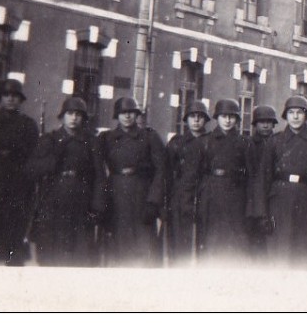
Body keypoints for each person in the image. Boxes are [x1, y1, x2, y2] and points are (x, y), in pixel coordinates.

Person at [253, 95, 307, 268]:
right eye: (291, 112)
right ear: (286, 116)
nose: (295, 117)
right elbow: (263, 180)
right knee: (280, 254)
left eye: (299, 112)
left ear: (306, 115)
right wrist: (262, 214)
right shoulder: (275, 141)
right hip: (280, 204)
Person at [27, 96, 106, 267]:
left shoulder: (91, 142)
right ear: (63, 116)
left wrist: (97, 205)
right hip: (53, 199)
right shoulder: (50, 139)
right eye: (70, 113)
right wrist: (54, 156)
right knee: (50, 251)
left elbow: (99, 176)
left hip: (81, 200)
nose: (74, 118)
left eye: (78, 114)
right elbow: (33, 169)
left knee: (79, 253)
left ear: (83, 118)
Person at [99, 96, 166, 266]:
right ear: (117, 115)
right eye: (123, 113)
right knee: (117, 245)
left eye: (131, 112)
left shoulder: (149, 136)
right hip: (116, 194)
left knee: (143, 245)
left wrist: (153, 201)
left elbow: (161, 170)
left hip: (141, 194)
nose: (127, 116)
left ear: (137, 115)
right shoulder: (107, 138)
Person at [0, 79, 39, 266]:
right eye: (6, 95)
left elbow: (32, 153)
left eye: (15, 96)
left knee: (16, 222)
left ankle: (14, 258)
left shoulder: (28, 124)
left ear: (20, 100)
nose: (10, 100)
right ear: (1, 98)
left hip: (18, 181)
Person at [192, 98, 250, 263]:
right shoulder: (204, 141)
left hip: (236, 195)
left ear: (237, 119)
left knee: (235, 242)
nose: (228, 120)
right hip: (211, 195)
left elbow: (251, 174)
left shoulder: (245, 143)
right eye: (224, 116)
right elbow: (195, 173)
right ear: (217, 118)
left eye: (232, 116)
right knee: (210, 240)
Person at [165, 100, 209, 264]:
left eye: (200, 117)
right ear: (186, 119)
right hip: (181, 196)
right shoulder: (177, 142)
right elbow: (168, 173)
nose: (196, 120)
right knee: (180, 239)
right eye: (192, 117)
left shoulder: (210, 141)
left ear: (205, 119)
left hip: (204, 193)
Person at [245, 104, 279, 257]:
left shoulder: (280, 143)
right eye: (261, 121)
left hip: (274, 195)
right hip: (253, 197)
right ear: (255, 124)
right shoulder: (249, 144)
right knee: (254, 241)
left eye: (269, 121)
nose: (265, 125)